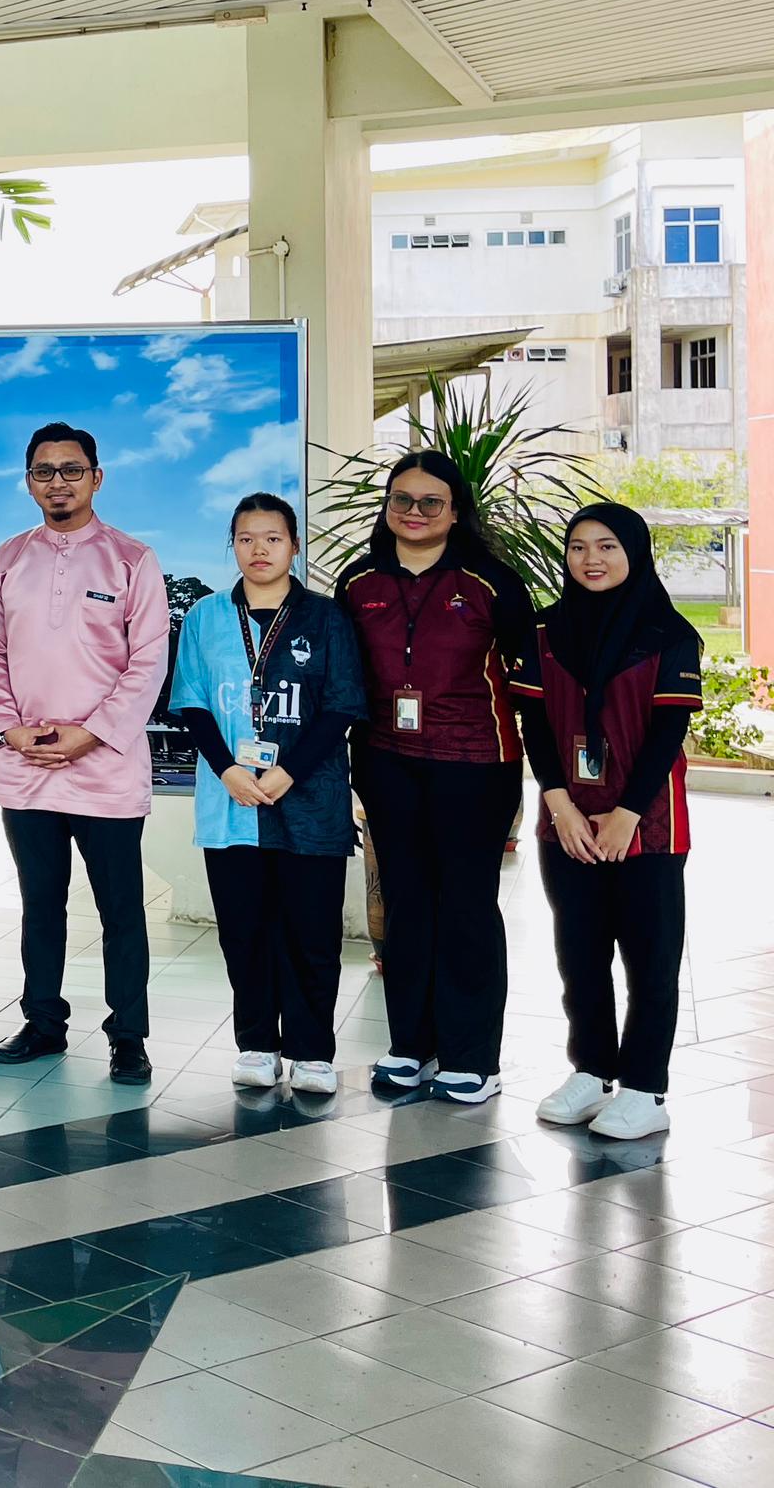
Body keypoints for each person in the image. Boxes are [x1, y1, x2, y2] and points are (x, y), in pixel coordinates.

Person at [0, 423, 171, 1084]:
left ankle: (129, 1036)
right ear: (28, 481)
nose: (58, 482)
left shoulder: (132, 559)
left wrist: (93, 733)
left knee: (121, 911)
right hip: (26, 765)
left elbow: (148, 662)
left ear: (96, 478)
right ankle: (42, 1022)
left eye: (71, 470)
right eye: (44, 471)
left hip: (106, 766)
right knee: (40, 905)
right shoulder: (8, 558)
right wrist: (8, 729)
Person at [340, 449, 532, 1104]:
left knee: (467, 906)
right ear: (387, 506)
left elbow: (532, 677)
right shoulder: (359, 582)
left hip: (476, 766)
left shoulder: (492, 583)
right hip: (387, 762)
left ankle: (472, 1057)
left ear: (455, 512)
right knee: (407, 904)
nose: (414, 512)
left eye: (431, 502)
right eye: (401, 499)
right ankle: (410, 1047)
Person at [516, 503, 704, 1142]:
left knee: (650, 958)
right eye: (578, 547)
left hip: (647, 827)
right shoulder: (545, 631)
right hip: (568, 822)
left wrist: (627, 815)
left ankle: (646, 1090)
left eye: (607, 546)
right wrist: (560, 804)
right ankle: (592, 1072)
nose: (590, 559)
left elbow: (667, 734)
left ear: (634, 553)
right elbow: (535, 724)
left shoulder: (669, 634)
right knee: (580, 953)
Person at [167, 493, 366, 1096]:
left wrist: (290, 773)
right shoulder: (205, 617)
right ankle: (256, 1044)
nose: (259, 549)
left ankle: (312, 1052)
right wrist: (227, 769)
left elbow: (343, 706)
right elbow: (191, 702)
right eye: (246, 538)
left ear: (294, 546)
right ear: (232, 545)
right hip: (231, 801)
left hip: (310, 801)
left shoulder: (326, 618)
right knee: (244, 931)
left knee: (312, 933)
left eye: (273, 538)